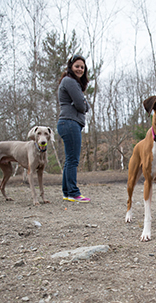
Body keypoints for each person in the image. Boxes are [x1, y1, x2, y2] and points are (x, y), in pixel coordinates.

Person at [57, 55, 91, 202]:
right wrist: (82, 102)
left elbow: (85, 105)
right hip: (70, 123)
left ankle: (67, 192)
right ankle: (72, 192)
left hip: (69, 123)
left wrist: (83, 103)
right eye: (77, 66)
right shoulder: (69, 81)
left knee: (70, 159)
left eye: (82, 67)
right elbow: (81, 105)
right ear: (71, 66)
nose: (80, 69)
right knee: (73, 160)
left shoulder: (73, 83)